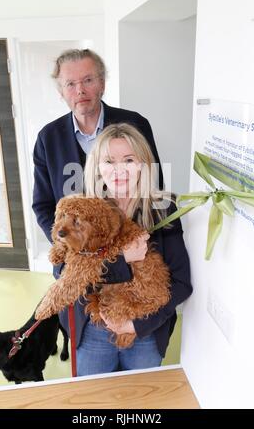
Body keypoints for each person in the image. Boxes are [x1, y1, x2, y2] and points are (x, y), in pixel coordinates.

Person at [32, 49, 164, 361]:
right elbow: (42, 206)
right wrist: (70, 248)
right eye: (71, 84)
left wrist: (129, 254)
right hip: (80, 280)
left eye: (88, 80)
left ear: (102, 83)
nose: (80, 90)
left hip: (133, 273)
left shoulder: (134, 124)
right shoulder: (48, 138)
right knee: (92, 382)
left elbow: (153, 187)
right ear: (61, 91)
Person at [73, 122, 192, 375]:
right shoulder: (82, 212)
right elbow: (68, 275)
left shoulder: (163, 209)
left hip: (145, 331)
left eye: (128, 160)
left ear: (143, 165)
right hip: (95, 327)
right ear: (97, 167)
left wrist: (136, 325)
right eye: (109, 161)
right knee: (94, 403)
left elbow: (182, 283)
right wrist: (122, 259)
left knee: (139, 401)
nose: (119, 171)